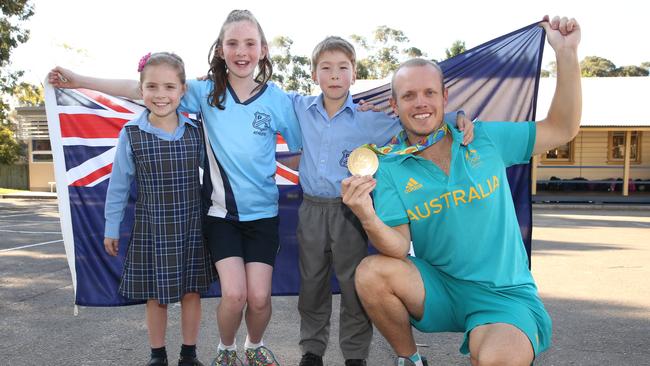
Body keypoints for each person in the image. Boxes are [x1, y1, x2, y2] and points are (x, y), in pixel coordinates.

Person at [49, 10, 302, 366]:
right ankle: (225, 350)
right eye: (232, 43)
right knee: (234, 294)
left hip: (264, 215)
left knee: (259, 298)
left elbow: (310, 142)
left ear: (263, 49)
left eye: (249, 43)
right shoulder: (204, 91)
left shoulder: (278, 100)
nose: (241, 51)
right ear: (220, 50)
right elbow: (141, 87)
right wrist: (79, 80)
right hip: (219, 215)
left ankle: (253, 346)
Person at [340, 15, 581, 366]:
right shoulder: (390, 166)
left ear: (444, 97)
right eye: (408, 96)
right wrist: (366, 215)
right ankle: (410, 360)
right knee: (370, 272)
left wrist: (567, 54)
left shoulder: (483, 138)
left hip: (504, 297)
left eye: (428, 93)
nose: (420, 102)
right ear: (395, 106)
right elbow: (395, 246)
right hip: (440, 289)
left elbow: (562, 128)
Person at [290, 36, 474, 366]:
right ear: (314, 74)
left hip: (351, 212)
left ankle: (355, 356)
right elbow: (261, 100)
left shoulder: (368, 119)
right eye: (326, 68)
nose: (334, 75)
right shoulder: (300, 108)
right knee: (312, 285)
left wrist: (459, 116)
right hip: (312, 210)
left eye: (343, 68)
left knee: (353, 287)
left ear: (354, 74)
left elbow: (418, 121)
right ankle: (312, 351)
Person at [102, 52, 217, 366]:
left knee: (192, 291)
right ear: (141, 91)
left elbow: (217, 178)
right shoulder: (131, 134)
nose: (160, 94)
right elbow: (118, 186)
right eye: (152, 86)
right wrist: (111, 227)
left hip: (192, 225)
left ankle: (189, 354)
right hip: (152, 228)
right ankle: (157, 355)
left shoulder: (197, 132)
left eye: (169, 87)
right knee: (156, 295)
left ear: (183, 91)